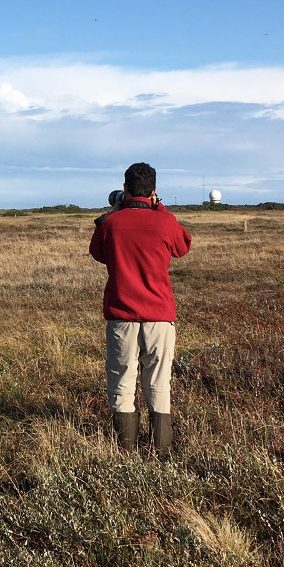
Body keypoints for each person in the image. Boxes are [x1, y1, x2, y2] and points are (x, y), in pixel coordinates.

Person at [88, 162, 192, 457]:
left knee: (122, 381)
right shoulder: (165, 222)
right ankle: (161, 451)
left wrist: (114, 214)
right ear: (155, 190)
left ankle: (126, 451)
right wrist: (159, 210)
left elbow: (97, 253)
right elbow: (183, 245)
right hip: (159, 316)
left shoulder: (111, 224)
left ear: (125, 188)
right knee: (159, 383)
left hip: (122, 317)